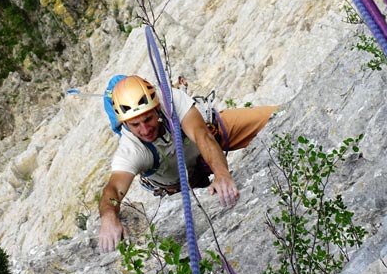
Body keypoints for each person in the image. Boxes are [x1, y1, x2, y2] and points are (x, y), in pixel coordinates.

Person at [98, 75, 276, 253]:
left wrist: (221, 174)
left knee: (276, 115)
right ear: (125, 123)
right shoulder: (131, 150)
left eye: (148, 119)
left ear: (157, 108)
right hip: (183, 185)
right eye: (135, 124)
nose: (145, 130)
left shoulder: (171, 101)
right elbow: (113, 189)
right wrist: (108, 216)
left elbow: (202, 135)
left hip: (212, 138)